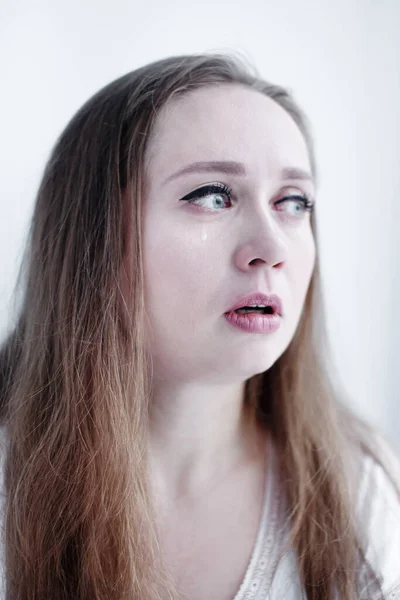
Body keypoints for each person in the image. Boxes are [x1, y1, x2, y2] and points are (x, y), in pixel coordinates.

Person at [0, 52, 399, 600]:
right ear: (94, 239)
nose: (272, 248)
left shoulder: (363, 496)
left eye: (293, 202)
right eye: (213, 196)